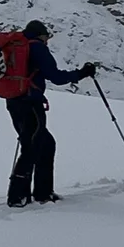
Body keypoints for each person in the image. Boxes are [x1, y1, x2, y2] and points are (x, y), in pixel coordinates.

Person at [6, 19, 97, 208]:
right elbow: (55, 77)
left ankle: (42, 192)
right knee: (32, 148)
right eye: (47, 36)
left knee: (44, 145)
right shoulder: (37, 48)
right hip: (31, 103)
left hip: (14, 101)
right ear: (41, 35)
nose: (47, 40)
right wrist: (81, 73)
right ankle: (17, 196)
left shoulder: (15, 47)